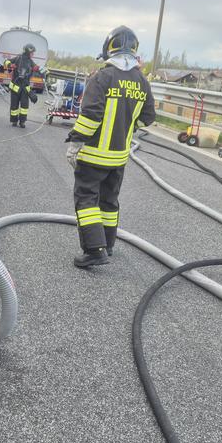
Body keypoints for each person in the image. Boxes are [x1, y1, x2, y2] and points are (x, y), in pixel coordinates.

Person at [66, 26, 156, 267]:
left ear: (109, 49)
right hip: (119, 158)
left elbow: (90, 116)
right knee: (109, 202)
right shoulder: (142, 81)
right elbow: (148, 117)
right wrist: (127, 124)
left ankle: (95, 250)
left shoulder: (102, 78)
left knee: (86, 200)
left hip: (94, 155)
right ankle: (108, 243)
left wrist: (76, 142)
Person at [4, 43, 40, 128]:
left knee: (24, 106)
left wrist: (37, 69)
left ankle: (22, 122)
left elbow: (36, 67)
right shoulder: (18, 58)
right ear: (28, 52)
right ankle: (14, 121)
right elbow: (6, 61)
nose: (33, 55)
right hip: (15, 87)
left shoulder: (30, 61)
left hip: (25, 88)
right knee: (14, 105)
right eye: (32, 53)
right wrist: (10, 65)